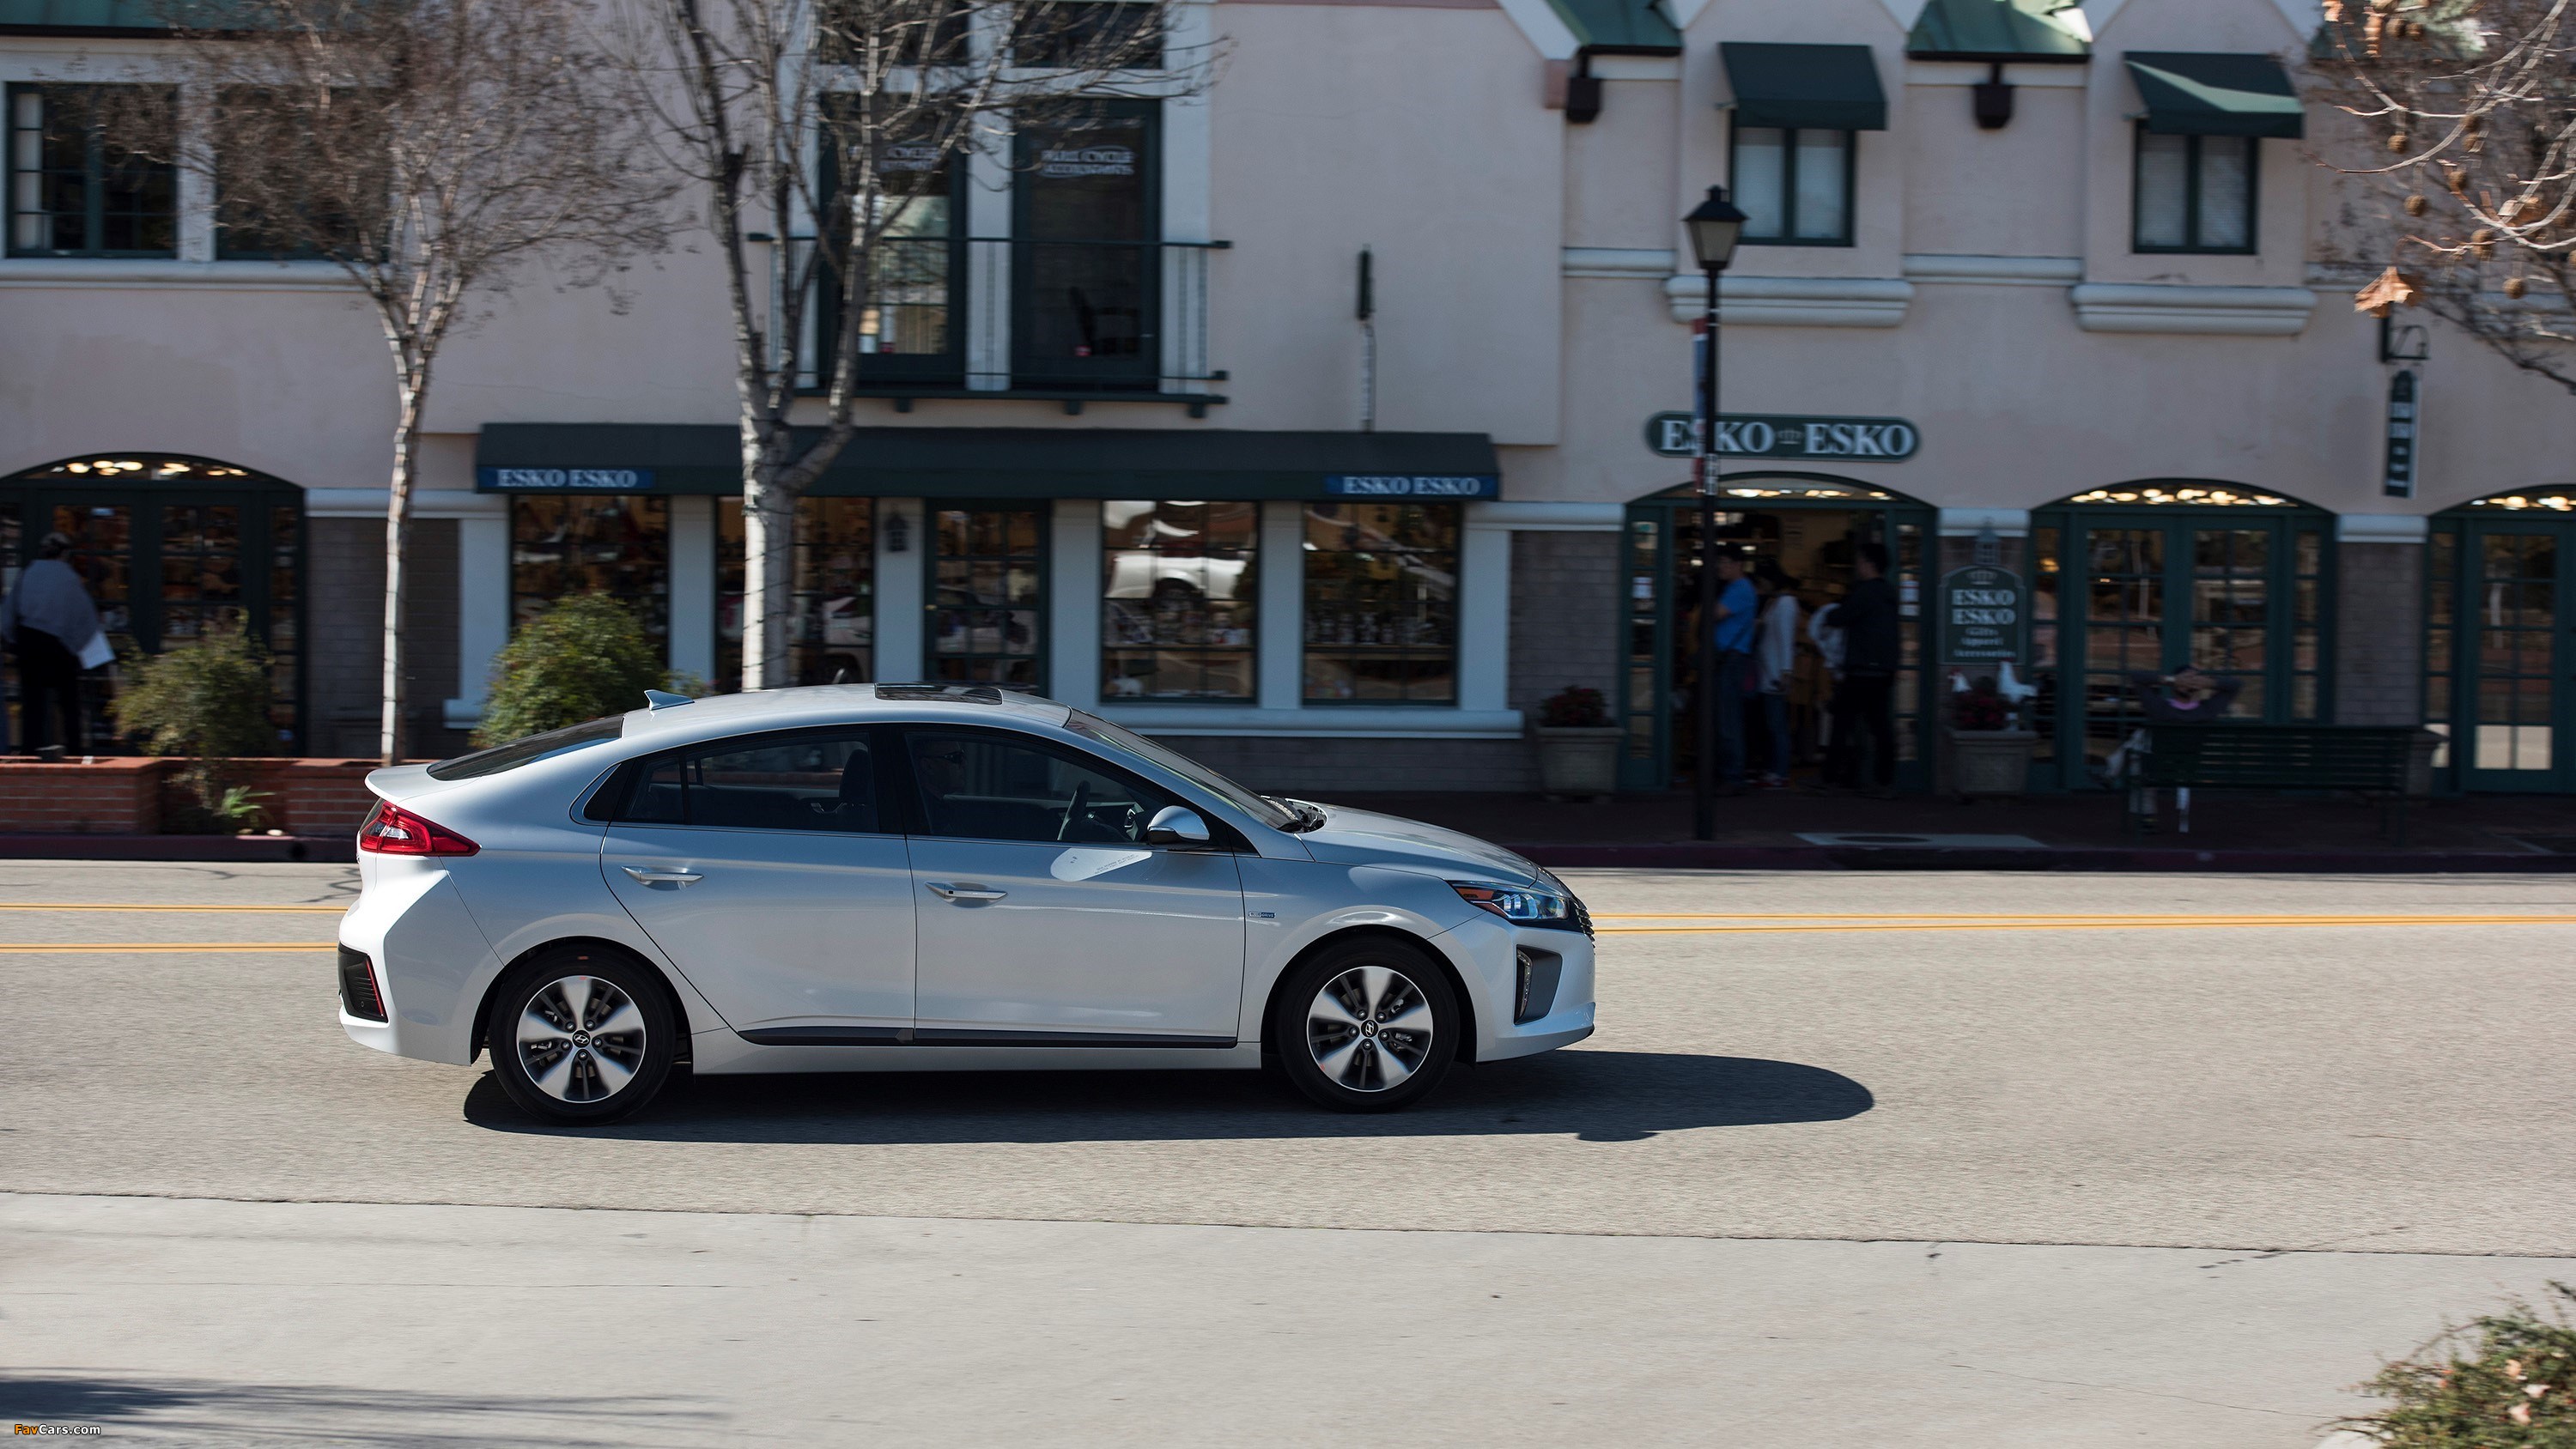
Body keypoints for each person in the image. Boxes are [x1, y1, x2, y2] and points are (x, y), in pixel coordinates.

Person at [1, 532, 106, 756]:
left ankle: (30, 752)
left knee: (32, 702)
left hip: (29, 641)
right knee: (69, 702)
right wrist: (76, 646)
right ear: (65, 554)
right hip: (58, 645)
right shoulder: (69, 578)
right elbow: (86, 617)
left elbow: (8, 614)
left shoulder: (26, 574)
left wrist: (12, 641)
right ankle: (75, 751)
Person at [2106, 666, 2243, 829]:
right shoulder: (2208, 711)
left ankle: (2145, 815)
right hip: (2190, 769)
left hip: (2157, 768)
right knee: (2142, 745)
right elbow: (2235, 685)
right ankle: (2113, 774)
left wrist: (2171, 680)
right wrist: (2209, 683)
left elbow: (2136, 676)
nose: (2189, 683)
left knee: (2140, 750)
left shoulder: (2159, 708)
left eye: (2193, 679)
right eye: (2186, 679)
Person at [1827, 541, 1902, 795]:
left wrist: (1831, 611)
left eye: (1860, 561)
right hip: (1881, 670)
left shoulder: (1865, 593)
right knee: (1880, 727)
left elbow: (1838, 618)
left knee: (1842, 722)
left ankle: (1832, 776)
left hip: (1862, 669)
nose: (1857, 566)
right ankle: (1884, 780)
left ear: (1869, 564)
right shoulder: (1889, 593)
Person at [1707, 549, 1758, 794]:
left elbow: (1715, 614)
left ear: (1738, 564)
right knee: (1726, 717)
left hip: (1732, 659)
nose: (1721, 567)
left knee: (1729, 719)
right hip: (1731, 658)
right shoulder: (1736, 588)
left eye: (1724, 562)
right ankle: (1728, 772)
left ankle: (1733, 775)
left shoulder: (1740, 590)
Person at [1752, 561, 1801, 787]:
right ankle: (1775, 769)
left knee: (1776, 725)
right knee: (1774, 724)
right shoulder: (1779, 603)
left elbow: (1785, 641)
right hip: (1770, 672)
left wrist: (1786, 671)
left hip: (1774, 674)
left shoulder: (1784, 604)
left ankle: (1779, 771)